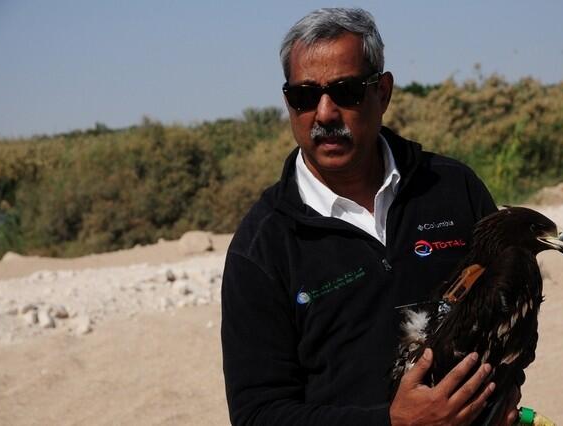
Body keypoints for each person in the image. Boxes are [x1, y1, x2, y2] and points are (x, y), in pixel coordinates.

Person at [221, 8, 521, 425]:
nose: (324, 113)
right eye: (305, 96)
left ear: (382, 92)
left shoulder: (454, 189)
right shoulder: (262, 246)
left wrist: (502, 396)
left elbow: (508, 310)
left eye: (346, 91)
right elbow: (257, 414)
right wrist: (392, 423)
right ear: (288, 102)